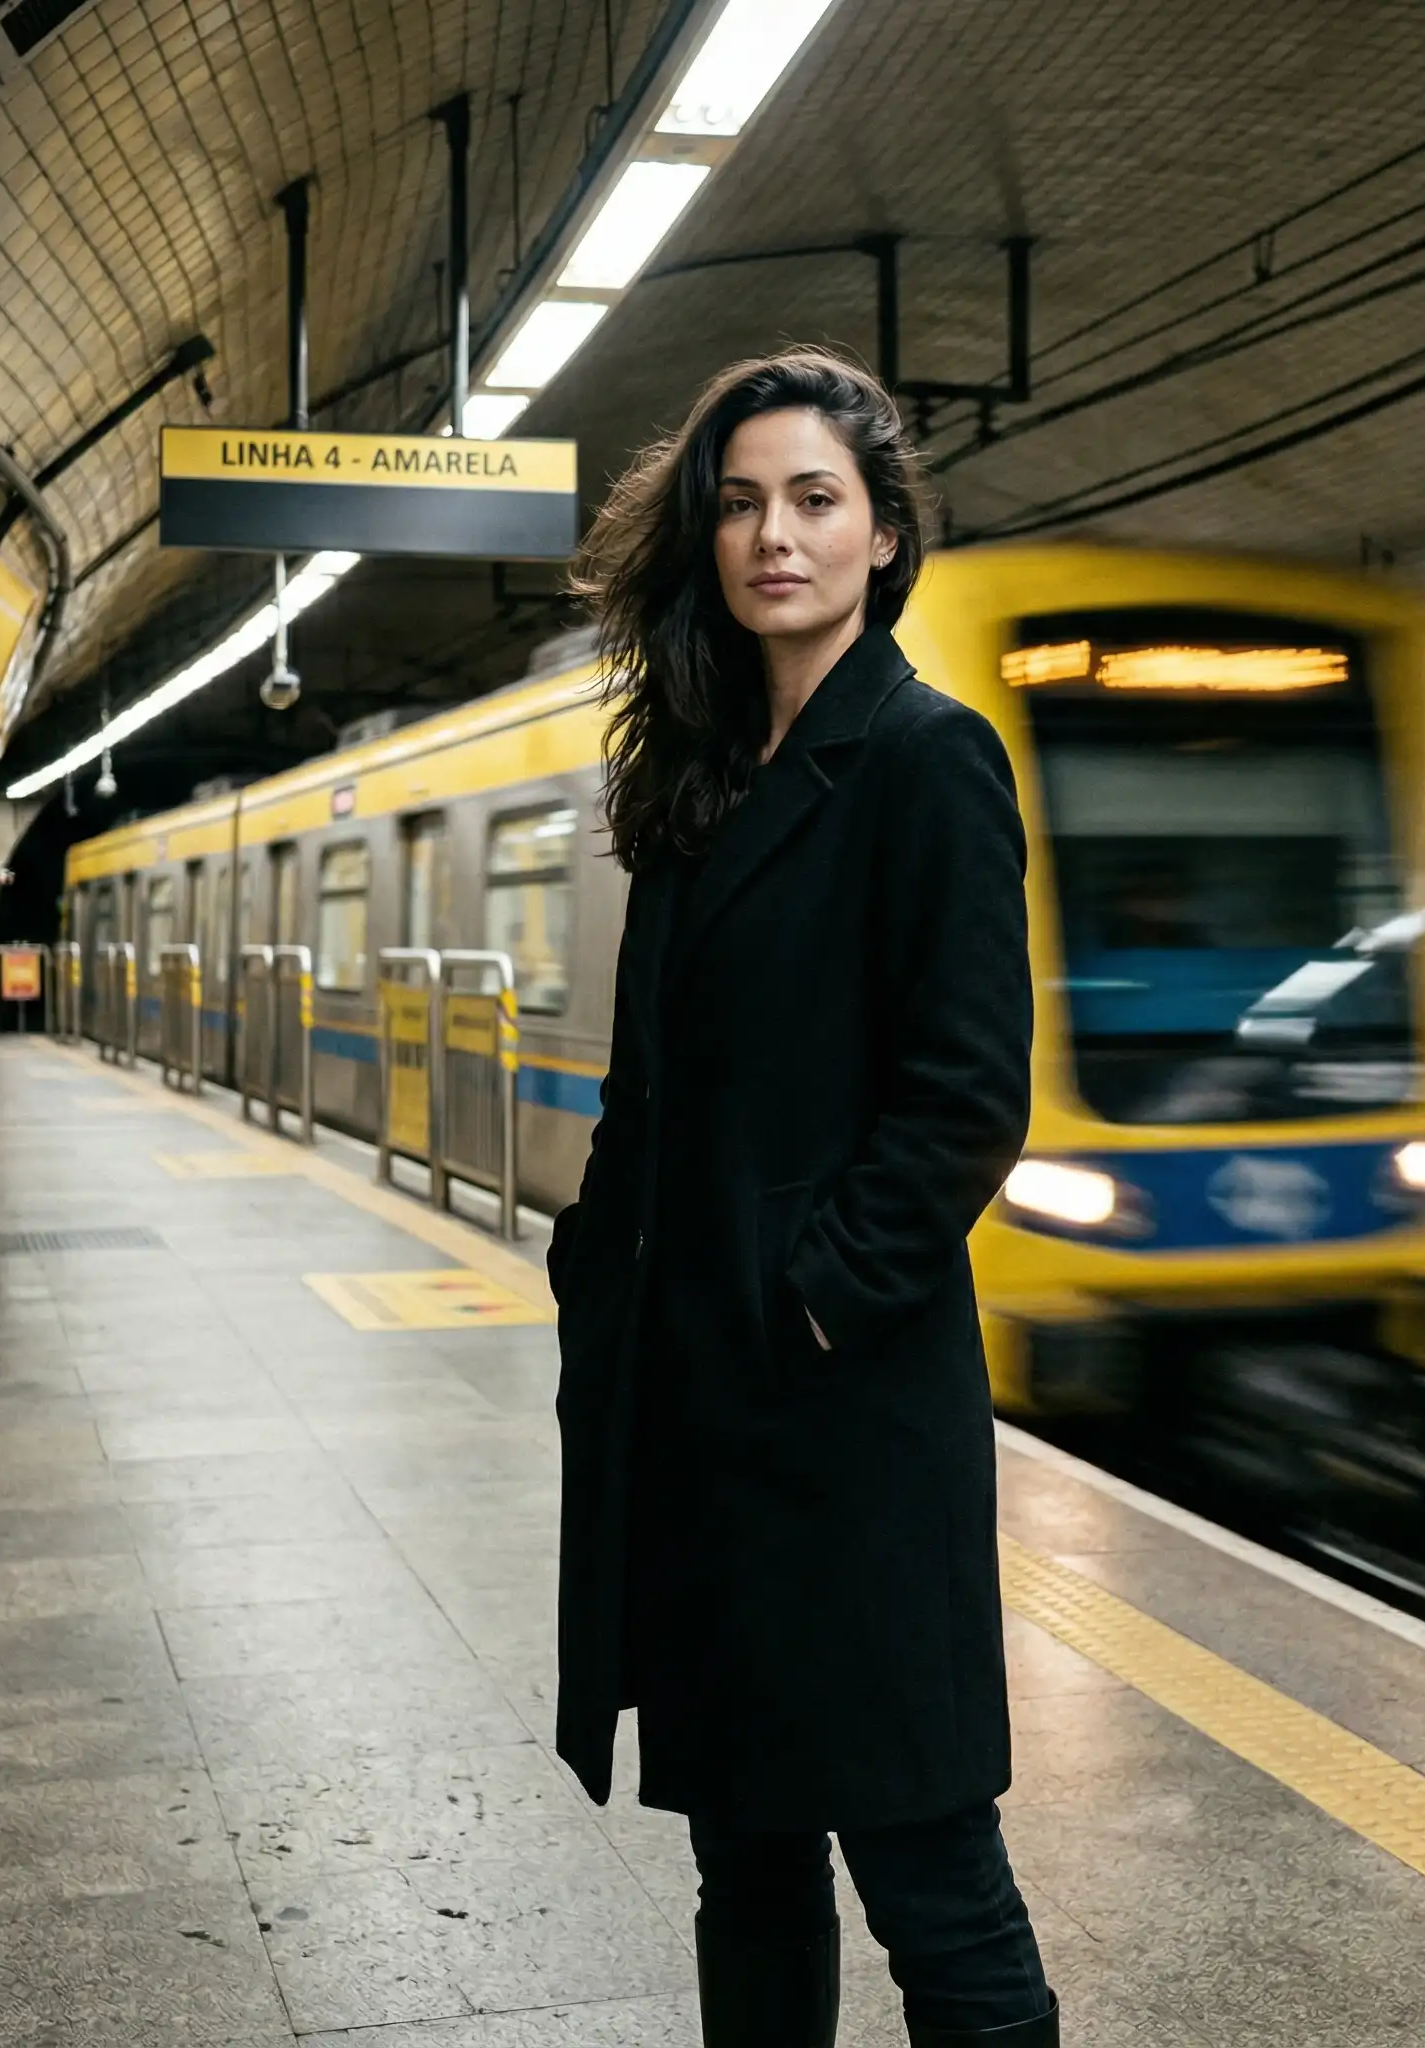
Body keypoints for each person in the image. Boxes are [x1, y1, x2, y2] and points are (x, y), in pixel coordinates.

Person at [547, 348, 1056, 2047]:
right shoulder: (695, 784)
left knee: (931, 1879)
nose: (776, 534)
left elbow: (971, 1094)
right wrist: (597, 1282)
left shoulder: (925, 760)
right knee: (744, 1866)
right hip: (690, 1426)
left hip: (847, 1427)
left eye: (815, 501)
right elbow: (648, 1093)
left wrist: (812, 1294)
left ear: (885, 539)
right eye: (743, 501)